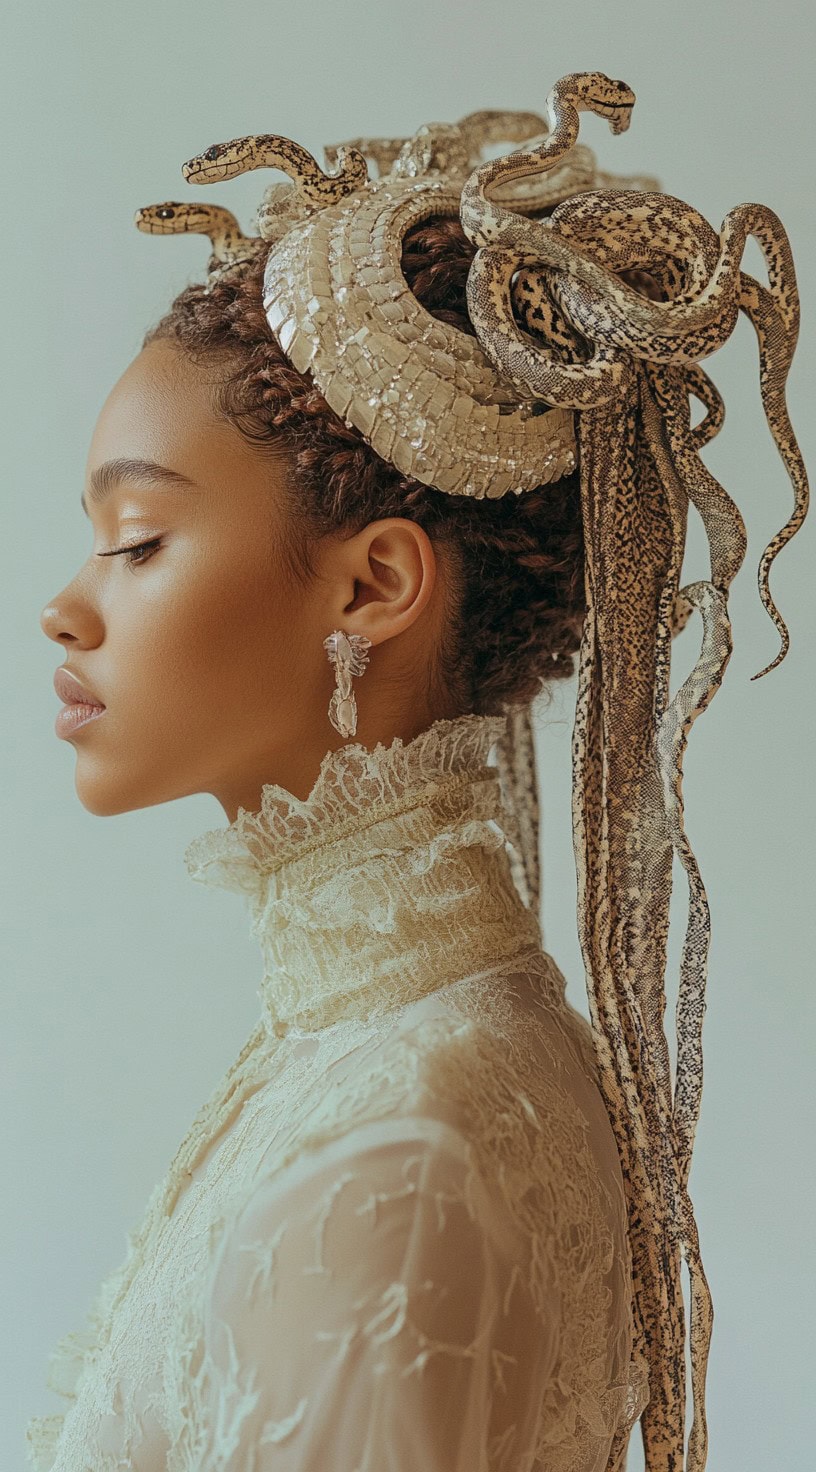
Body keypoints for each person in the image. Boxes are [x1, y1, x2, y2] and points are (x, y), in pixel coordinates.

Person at [32, 72, 807, 1472]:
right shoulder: (400, 1056)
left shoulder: (393, 1152)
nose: (66, 609)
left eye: (138, 539)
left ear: (374, 585)